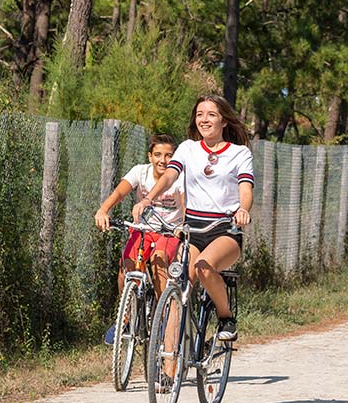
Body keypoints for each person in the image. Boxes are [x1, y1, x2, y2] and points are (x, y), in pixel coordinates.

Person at [134, 95, 254, 344]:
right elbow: (169, 176)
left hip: (224, 229)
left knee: (204, 266)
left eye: (211, 114)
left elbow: (245, 189)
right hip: (192, 230)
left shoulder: (239, 153)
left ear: (223, 120)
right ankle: (167, 371)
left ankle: (225, 317)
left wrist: (243, 210)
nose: (204, 119)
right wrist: (148, 199)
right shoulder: (188, 148)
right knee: (175, 289)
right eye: (200, 114)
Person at [94, 134, 186, 344]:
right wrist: (103, 209)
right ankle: (125, 317)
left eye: (169, 155)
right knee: (127, 267)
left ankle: (163, 319)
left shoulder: (178, 177)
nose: (163, 160)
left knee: (159, 261)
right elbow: (120, 192)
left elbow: (184, 202)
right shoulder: (140, 172)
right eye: (158, 155)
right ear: (150, 156)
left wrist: (182, 224)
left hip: (169, 231)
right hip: (143, 229)